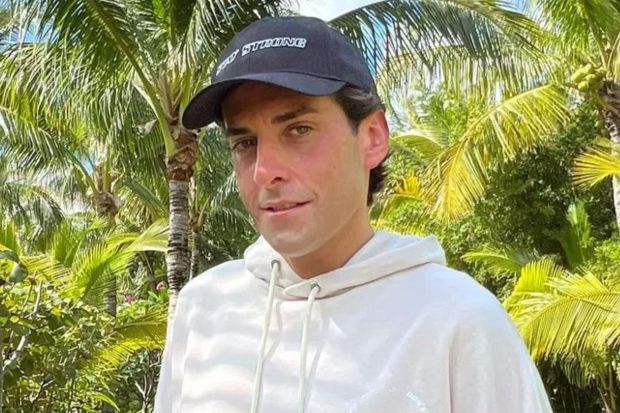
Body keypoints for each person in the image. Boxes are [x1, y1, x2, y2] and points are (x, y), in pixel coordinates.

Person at [154, 16, 553, 413]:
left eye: (298, 130)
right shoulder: (204, 306)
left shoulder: (458, 321)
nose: (264, 170)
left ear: (373, 138)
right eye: (245, 142)